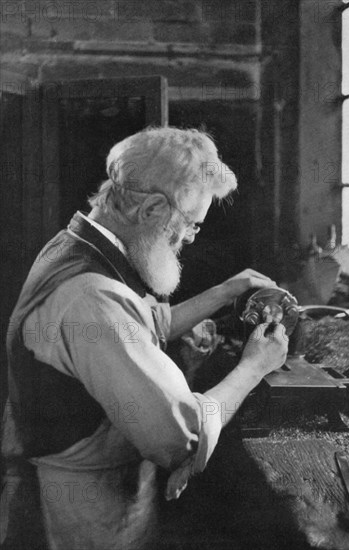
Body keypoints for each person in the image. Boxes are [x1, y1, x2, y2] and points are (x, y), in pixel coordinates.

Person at [1, 127, 288, 550]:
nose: (189, 239)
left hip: (84, 481)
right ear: (153, 208)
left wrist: (225, 291)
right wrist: (254, 366)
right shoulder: (92, 297)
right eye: (190, 225)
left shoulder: (76, 246)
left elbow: (137, 324)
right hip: (83, 507)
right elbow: (179, 436)